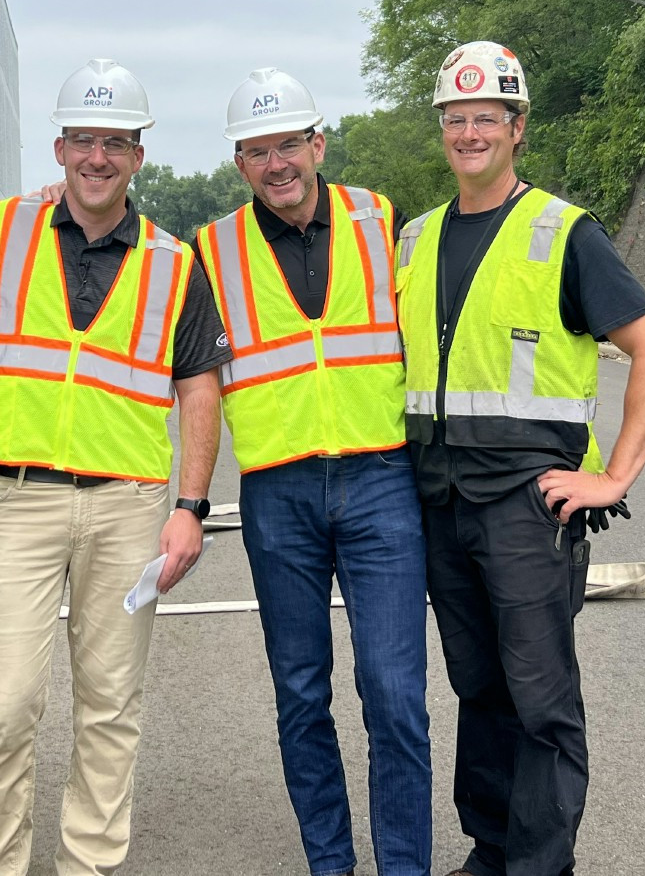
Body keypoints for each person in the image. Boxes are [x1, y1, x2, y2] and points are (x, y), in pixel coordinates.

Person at [395, 41, 645, 876]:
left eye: (488, 117)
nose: (471, 132)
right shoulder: (414, 240)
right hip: (442, 502)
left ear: (518, 128)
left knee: (540, 700)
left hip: (528, 506)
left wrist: (615, 475)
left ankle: (539, 866)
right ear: (443, 130)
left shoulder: (564, 232)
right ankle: (492, 851)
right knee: (479, 691)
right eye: (457, 118)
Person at [0, 58, 229, 876]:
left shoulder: (174, 262)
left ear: (139, 155)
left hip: (129, 505)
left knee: (111, 703)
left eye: (116, 141)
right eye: (84, 139)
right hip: (16, 498)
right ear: (59, 146)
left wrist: (191, 505)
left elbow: (199, 386)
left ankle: (89, 864)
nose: (98, 157)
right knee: (3, 704)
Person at [195, 68, 432, 876]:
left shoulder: (383, 218)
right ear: (240, 163)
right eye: (257, 151)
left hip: (380, 481)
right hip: (277, 493)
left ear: (318, 143)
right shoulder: (209, 248)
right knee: (301, 696)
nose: (277, 163)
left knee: (395, 694)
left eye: (289, 143)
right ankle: (330, 864)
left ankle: (404, 866)